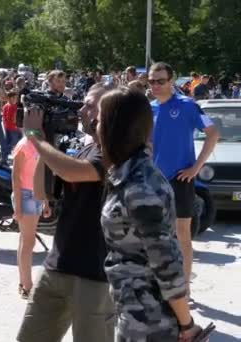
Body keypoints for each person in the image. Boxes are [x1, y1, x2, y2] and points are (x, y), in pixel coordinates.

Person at [97, 87, 204, 341]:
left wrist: (187, 325)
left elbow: (166, 263)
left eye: (100, 119)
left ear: (115, 128)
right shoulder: (126, 174)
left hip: (148, 322)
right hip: (133, 309)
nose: (95, 125)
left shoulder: (140, 188)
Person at [17, 83, 116, 342]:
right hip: (57, 266)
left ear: (110, 112)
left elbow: (73, 172)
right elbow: (41, 193)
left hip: (94, 275)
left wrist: (36, 137)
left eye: (91, 105)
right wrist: (45, 141)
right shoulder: (84, 149)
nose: (82, 110)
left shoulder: (115, 153)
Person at [148, 62, 219, 296]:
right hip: (155, 181)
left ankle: (185, 288)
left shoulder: (188, 105)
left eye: (160, 81)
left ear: (171, 81)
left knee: (182, 235)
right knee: (155, 235)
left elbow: (213, 134)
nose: (155, 85)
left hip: (181, 179)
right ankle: (159, 283)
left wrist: (196, 168)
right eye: (151, 81)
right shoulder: (149, 109)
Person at [11, 111, 50, 299]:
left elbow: (41, 174)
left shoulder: (38, 144)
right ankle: (27, 285)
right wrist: (18, 205)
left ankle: (24, 283)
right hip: (26, 196)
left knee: (26, 240)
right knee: (28, 242)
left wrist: (45, 200)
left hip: (35, 195)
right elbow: (15, 177)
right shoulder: (23, 146)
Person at [2, 90, 20, 161]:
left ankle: (4, 157)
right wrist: (17, 126)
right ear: (10, 98)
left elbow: (4, 117)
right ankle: (14, 156)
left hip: (7, 126)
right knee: (15, 142)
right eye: (14, 98)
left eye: (16, 98)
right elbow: (14, 118)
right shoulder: (14, 106)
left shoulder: (5, 106)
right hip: (13, 127)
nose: (16, 99)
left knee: (8, 142)